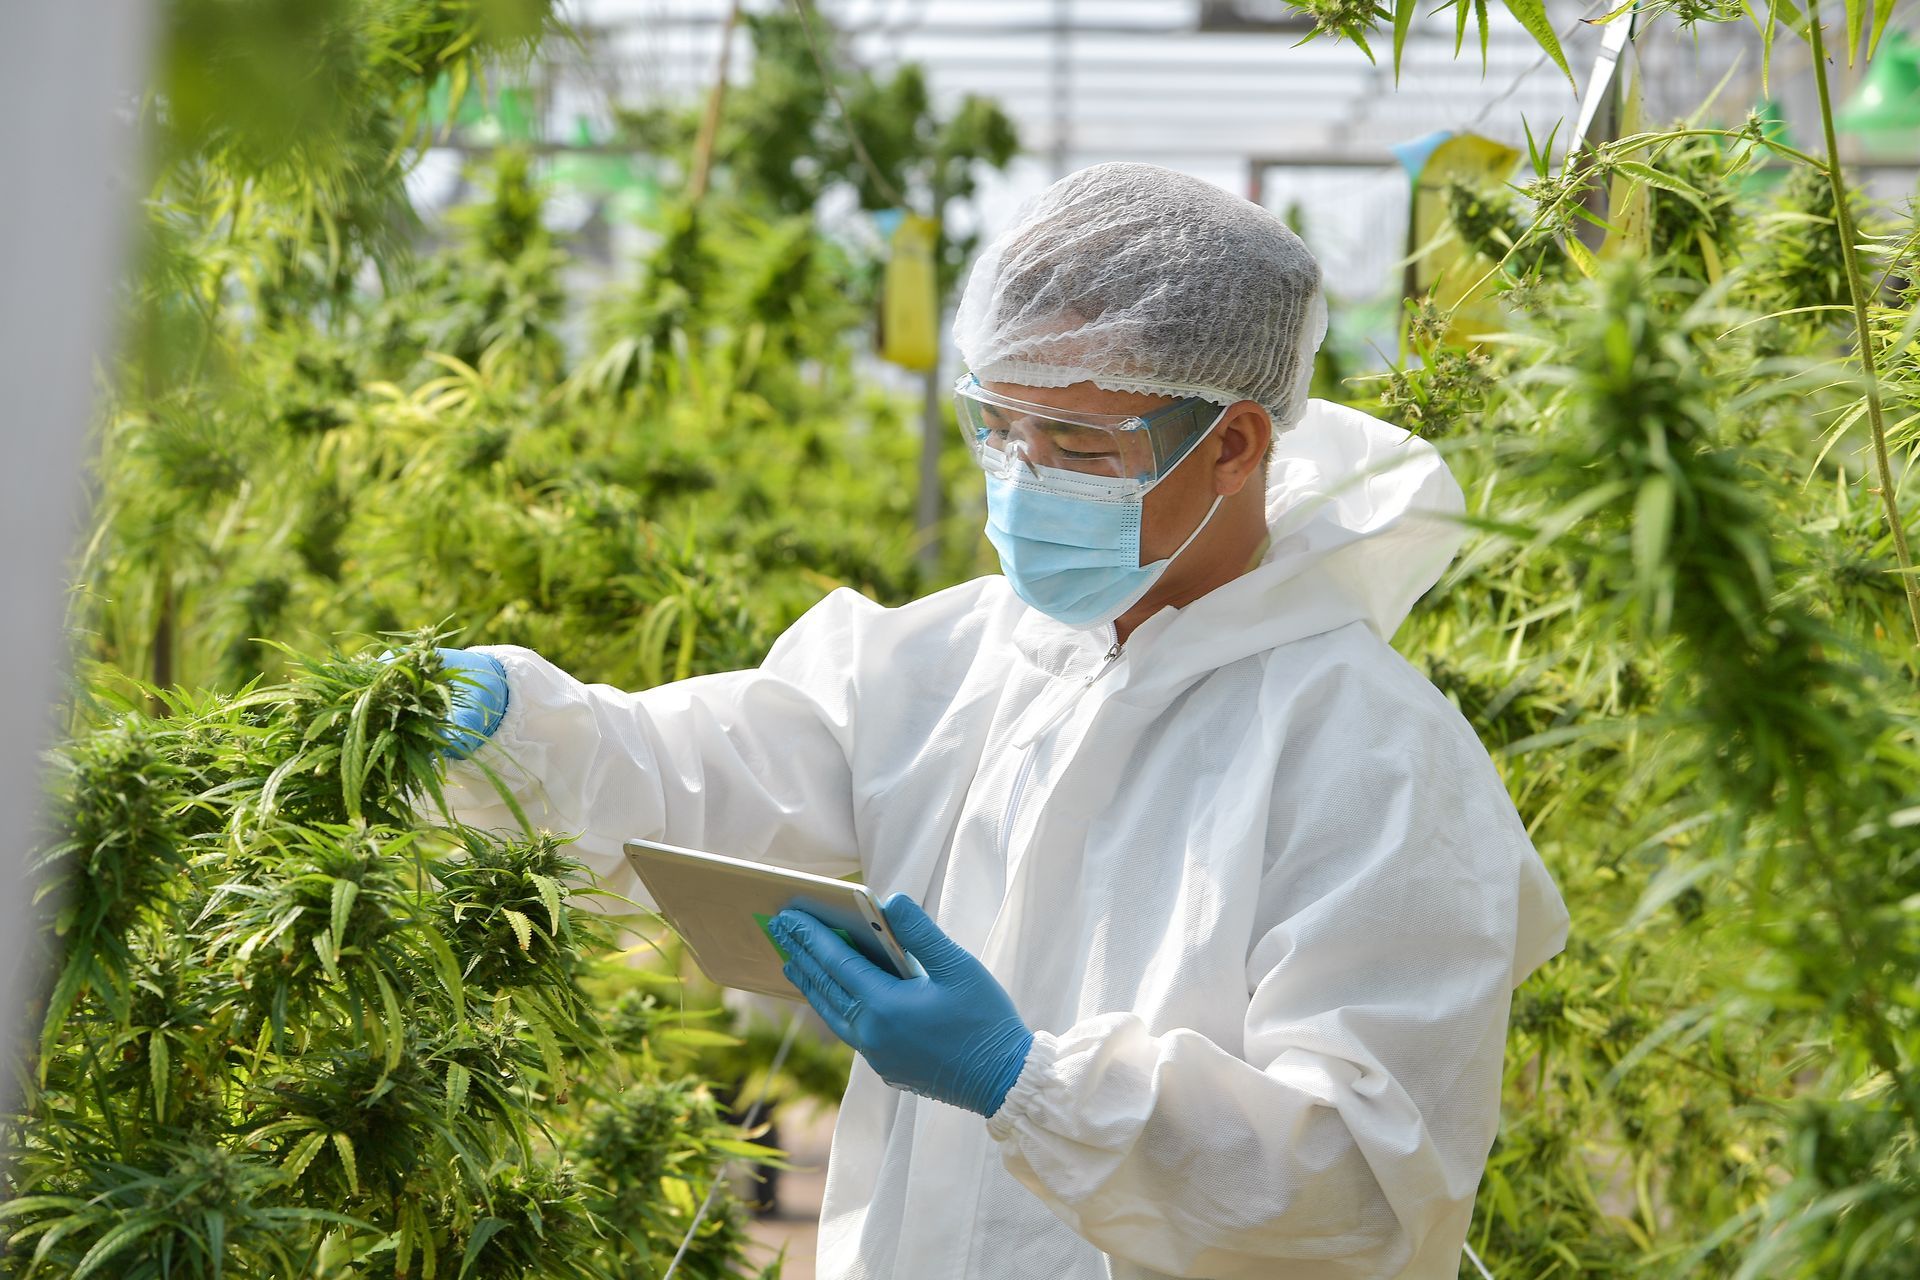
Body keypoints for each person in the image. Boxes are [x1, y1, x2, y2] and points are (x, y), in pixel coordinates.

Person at [430, 162, 1570, 1280]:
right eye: (1000, 430)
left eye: (1080, 449)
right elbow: (709, 778)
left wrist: (1025, 1081)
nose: (1026, 483)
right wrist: (518, 727)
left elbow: (1366, 1186)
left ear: (1233, 445)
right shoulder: (964, 654)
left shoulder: (1373, 755)